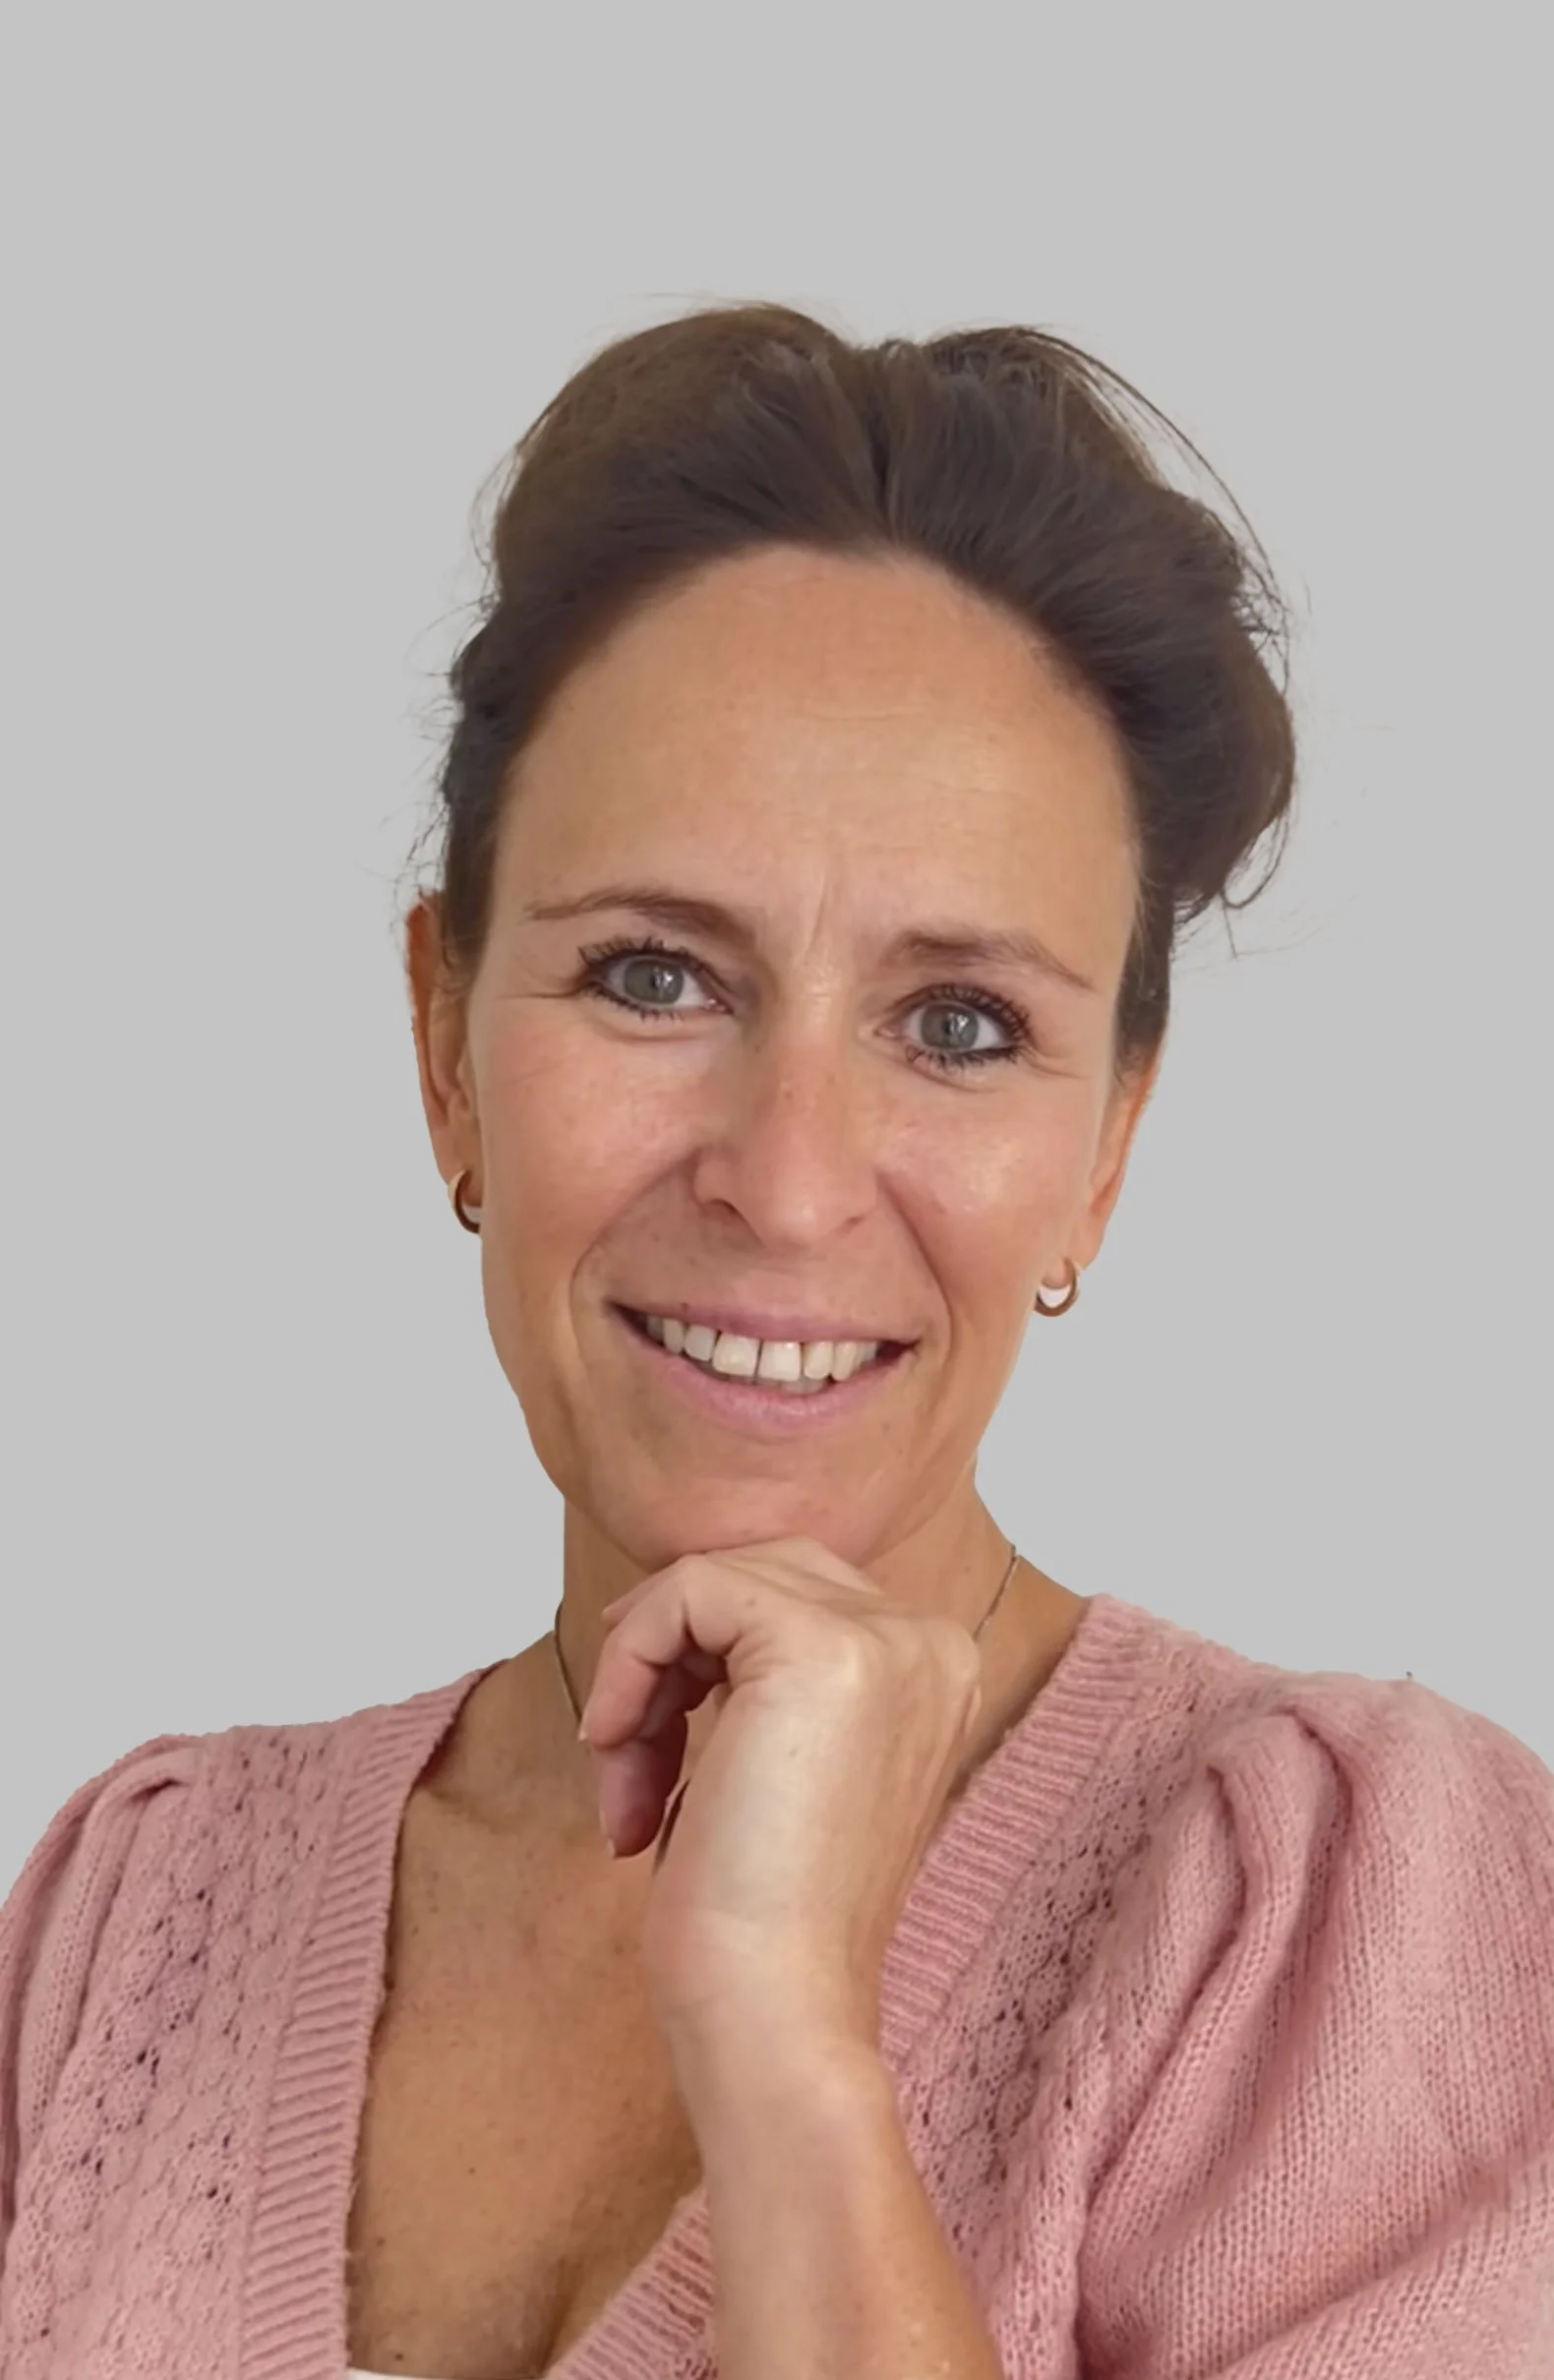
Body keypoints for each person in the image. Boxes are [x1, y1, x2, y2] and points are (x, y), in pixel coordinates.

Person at [2, 301, 1551, 2380]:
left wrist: (790, 2045)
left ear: (1104, 1151)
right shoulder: (133, 1928)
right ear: (444, 1049)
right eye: (654, 977)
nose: (792, 1178)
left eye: (960, 1025)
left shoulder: (1346, 1929)